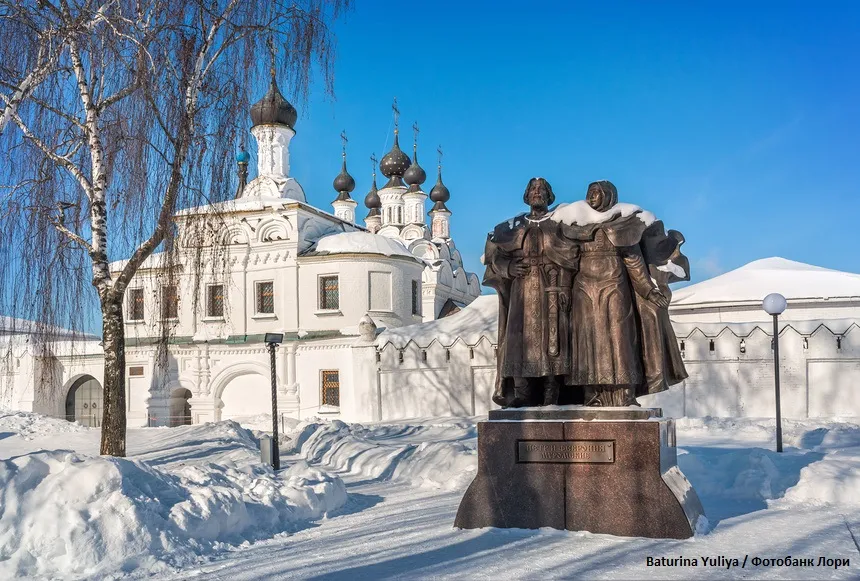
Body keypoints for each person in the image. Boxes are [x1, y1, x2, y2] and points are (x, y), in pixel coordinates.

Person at [557, 180, 687, 406]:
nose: (592, 197)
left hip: (615, 286)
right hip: (584, 291)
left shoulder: (623, 225)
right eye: (590, 193)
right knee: (587, 341)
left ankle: (624, 391)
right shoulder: (576, 225)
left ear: (609, 196)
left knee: (619, 338)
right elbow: (568, 262)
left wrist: (647, 290)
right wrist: (563, 289)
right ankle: (591, 393)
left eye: (597, 193)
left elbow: (634, 262)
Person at [483, 178, 580, 407]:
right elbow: (494, 257)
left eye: (542, 190)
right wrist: (508, 267)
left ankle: (551, 392)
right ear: (526, 196)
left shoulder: (559, 224)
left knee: (553, 341)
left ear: (549, 196)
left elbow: (572, 256)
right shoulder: (513, 226)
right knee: (519, 340)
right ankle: (522, 393)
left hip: (551, 290)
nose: (537, 193)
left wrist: (565, 287)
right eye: (533, 190)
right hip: (522, 290)